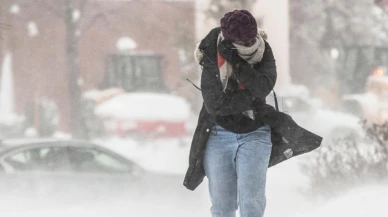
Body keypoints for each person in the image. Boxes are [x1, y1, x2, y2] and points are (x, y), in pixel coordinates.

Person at [183, 9, 323, 217]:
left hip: (256, 133)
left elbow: (262, 88)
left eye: (250, 40)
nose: (248, 45)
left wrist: (238, 64)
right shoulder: (212, 51)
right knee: (222, 207)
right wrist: (251, 99)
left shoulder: (264, 50)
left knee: (251, 204)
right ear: (229, 40)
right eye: (242, 42)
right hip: (218, 134)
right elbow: (215, 105)